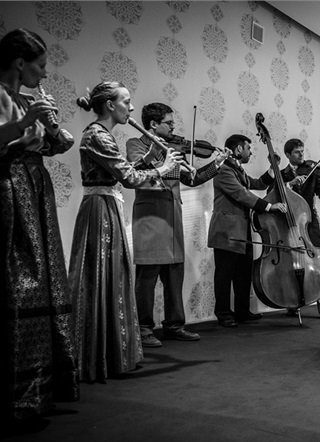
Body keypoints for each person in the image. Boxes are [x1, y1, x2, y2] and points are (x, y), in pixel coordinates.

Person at [69, 82, 180, 382]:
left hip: (107, 205)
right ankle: (98, 356)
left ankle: (111, 353)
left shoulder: (102, 135)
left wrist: (149, 157)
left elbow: (119, 171)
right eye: (126, 102)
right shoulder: (97, 135)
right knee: (103, 275)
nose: (131, 108)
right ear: (109, 105)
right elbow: (128, 177)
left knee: (114, 275)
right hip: (100, 208)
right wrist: (164, 167)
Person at [0, 28, 78, 427]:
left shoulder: (28, 100)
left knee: (44, 275)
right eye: (41, 65)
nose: (45, 74)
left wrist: (50, 124)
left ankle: (43, 388)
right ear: (19, 63)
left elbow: (59, 145)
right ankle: (17, 398)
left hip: (34, 186)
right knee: (19, 278)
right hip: (8, 186)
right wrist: (25, 123)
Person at [126, 103, 228, 348]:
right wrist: (168, 162)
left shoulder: (172, 149)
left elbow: (193, 179)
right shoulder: (136, 144)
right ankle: (143, 328)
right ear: (153, 124)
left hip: (173, 218)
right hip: (150, 219)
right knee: (147, 279)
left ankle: (174, 325)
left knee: (174, 276)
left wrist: (216, 163)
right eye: (169, 123)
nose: (174, 127)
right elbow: (137, 173)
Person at [207, 134, 285, 328]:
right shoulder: (223, 170)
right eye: (248, 148)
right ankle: (223, 314)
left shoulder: (237, 170)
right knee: (224, 275)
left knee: (243, 272)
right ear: (239, 149)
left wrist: (273, 167)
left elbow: (257, 184)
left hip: (241, 230)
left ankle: (242, 311)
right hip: (226, 231)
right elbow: (242, 194)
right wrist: (269, 207)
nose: (251, 152)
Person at [272, 138, 320, 318]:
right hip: (289, 224)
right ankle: (293, 302)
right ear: (288, 155)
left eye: (302, 151)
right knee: (291, 262)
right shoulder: (282, 175)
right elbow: (273, 195)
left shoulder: (312, 170)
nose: (302, 154)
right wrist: (290, 185)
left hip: (309, 222)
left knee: (318, 260)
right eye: (297, 152)